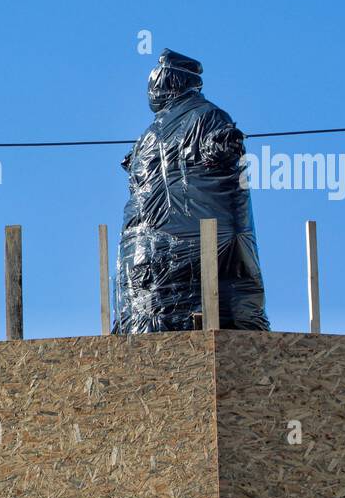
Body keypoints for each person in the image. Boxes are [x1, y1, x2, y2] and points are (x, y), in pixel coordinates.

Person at [113, 49, 269, 332]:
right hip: (181, 245)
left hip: (172, 248)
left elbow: (218, 155)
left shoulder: (195, 121)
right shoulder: (155, 134)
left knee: (159, 309)